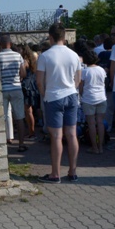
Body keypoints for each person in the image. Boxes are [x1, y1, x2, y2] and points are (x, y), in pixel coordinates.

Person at [36, 23, 82, 183]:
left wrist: (45, 95)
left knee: (56, 136)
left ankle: (55, 173)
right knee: (72, 134)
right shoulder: (74, 55)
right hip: (71, 95)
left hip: (53, 96)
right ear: (64, 37)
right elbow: (78, 79)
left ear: (50, 37)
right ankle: (73, 171)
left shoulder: (45, 56)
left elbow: (39, 82)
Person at [0, 36, 28, 151]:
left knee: (3, 117)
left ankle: (2, 145)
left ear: (0, 44)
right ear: (10, 43)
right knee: (19, 117)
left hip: (2, 89)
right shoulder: (17, 56)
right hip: (16, 88)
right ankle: (21, 144)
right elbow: (23, 74)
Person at [79, 50, 107, 154]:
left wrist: (81, 95)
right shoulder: (101, 70)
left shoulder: (85, 71)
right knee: (100, 122)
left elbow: (81, 87)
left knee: (91, 123)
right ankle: (101, 146)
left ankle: (94, 147)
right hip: (101, 97)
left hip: (89, 98)